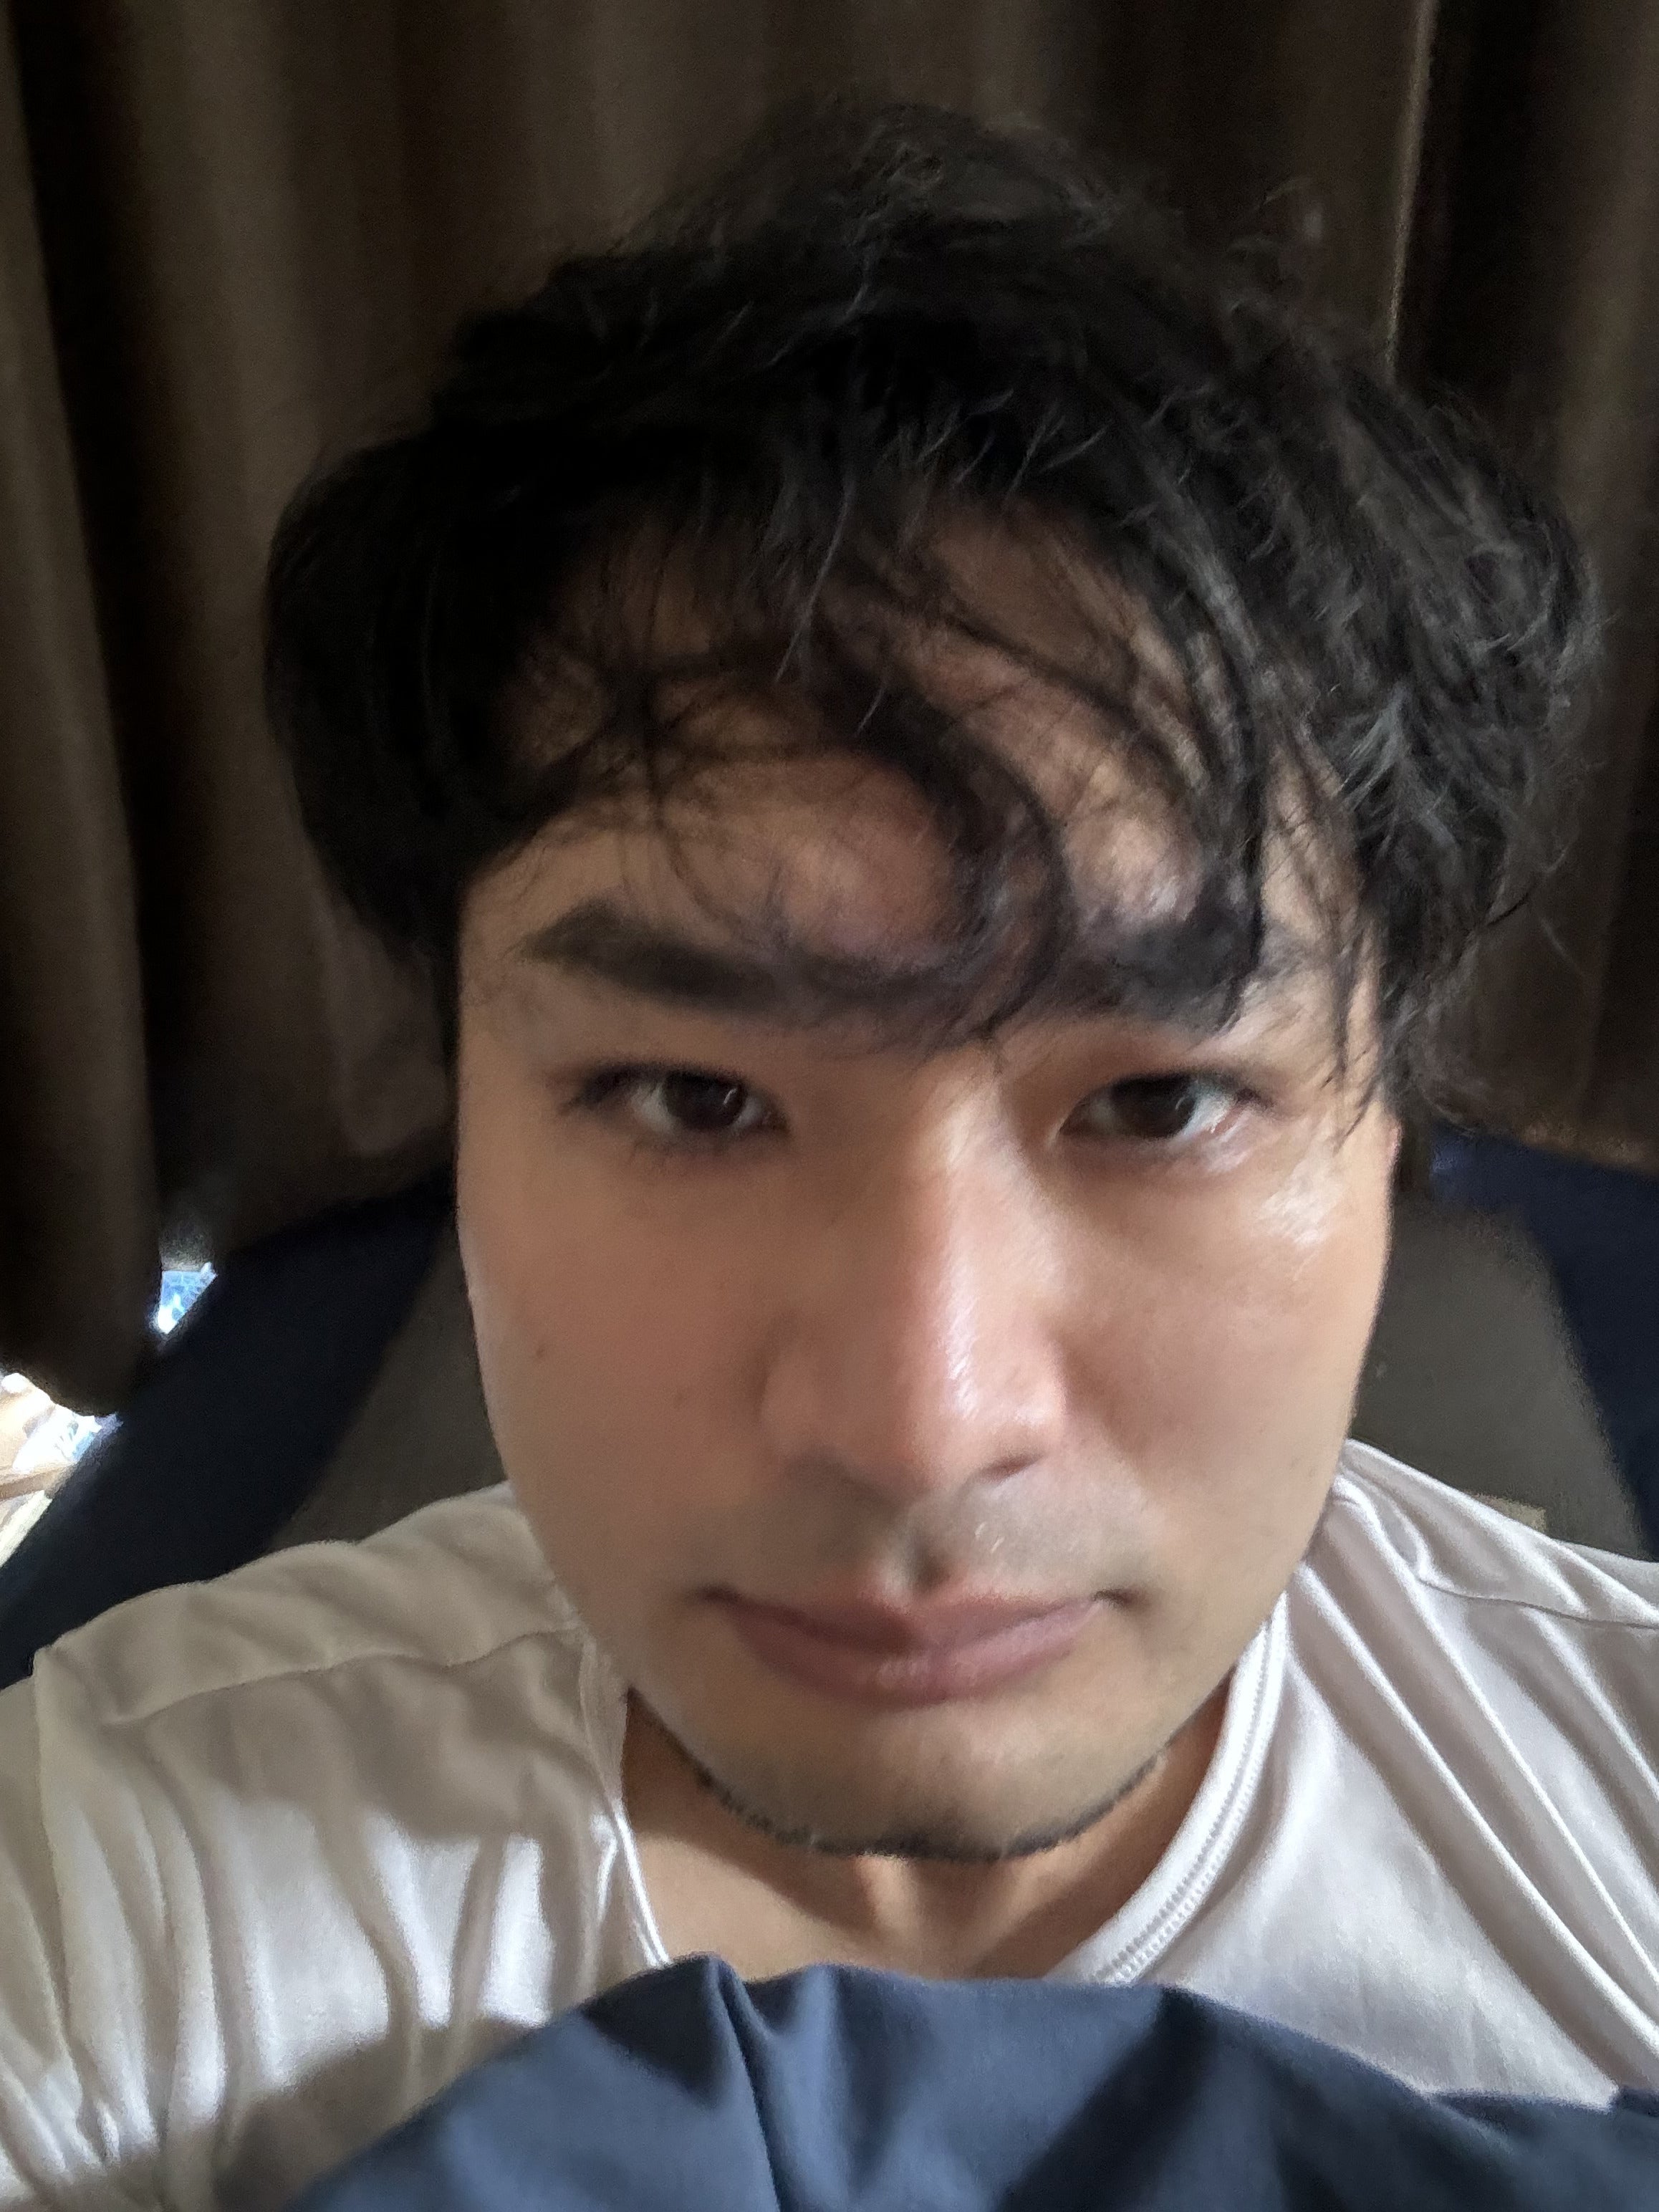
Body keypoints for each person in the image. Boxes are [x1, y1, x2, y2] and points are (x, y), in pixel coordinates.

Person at [1, 101, 1655, 2212]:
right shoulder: (109, 1886)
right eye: (693, 1098)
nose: (917, 1429)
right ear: (462, 1091)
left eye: (1156, 1101)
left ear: (1387, 1122)